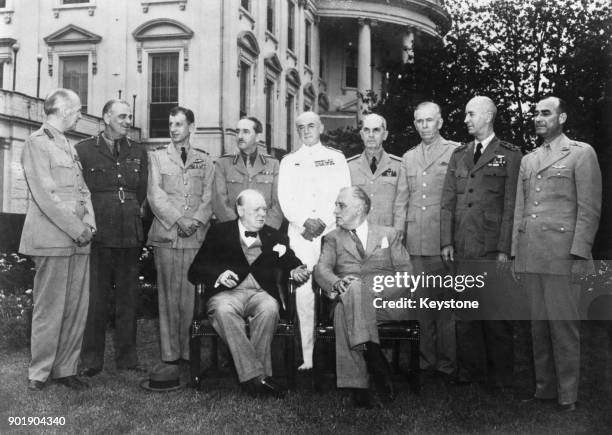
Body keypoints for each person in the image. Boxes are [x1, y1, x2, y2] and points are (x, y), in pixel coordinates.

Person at [512, 96, 601, 412]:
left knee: (563, 327)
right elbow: (521, 211)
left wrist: (579, 254)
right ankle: (544, 390)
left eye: (545, 113)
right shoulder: (529, 159)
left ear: (562, 117)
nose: (538, 118)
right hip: (533, 253)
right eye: (536, 113)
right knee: (538, 327)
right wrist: (515, 254)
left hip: (562, 255)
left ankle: (568, 396)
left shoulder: (580, 153)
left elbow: (589, 209)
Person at [188, 189, 309, 397]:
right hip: (227, 294)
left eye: (264, 209)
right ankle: (258, 377)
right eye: (256, 210)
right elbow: (196, 269)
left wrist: (297, 269)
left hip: (260, 293)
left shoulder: (275, 236)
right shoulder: (220, 232)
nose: (262, 214)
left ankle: (253, 377)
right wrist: (218, 274)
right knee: (223, 311)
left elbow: (290, 260)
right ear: (240, 210)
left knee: (270, 307)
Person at [440, 96, 521, 391]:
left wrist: (505, 249)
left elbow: (512, 204)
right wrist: (446, 240)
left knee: (496, 314)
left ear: (488, 116)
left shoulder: (510, 155)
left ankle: (501, 376)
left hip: (491, 246)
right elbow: (448, 201)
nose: (466, 120)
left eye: (471, 114)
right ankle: (469, 370)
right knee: (466, 312)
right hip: (462, 244)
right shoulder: (459, 154)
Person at [20, 88, 95, 391]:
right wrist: (78, 229)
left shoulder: (68, 145)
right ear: (63, 110)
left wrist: (89, 222)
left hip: (79, 240)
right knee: (49, 308)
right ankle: (39, 373)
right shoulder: (36, 143)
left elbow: (83, 191)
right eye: (78, 110)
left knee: (76, 308)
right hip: (53, 238)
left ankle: (65, 369)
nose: (80, 115)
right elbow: (46, 196)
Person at [314, 186, 413, 408]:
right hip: (348, 296)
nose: (335, 210)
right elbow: (321, 270)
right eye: (336, 205)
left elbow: (407, 275)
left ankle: (358, 383)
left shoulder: (389, 234)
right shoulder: (332, 238)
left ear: (359, 208)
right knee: (353, 290)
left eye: (341, 205)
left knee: (345, 309)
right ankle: (375, 357)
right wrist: (338, 283)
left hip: (383, 303)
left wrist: (376, 292)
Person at [75, 99, 148, 376]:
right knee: (96, 298)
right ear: (106, 117)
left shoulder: (139, 151)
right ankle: (92, 360)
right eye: (121, 116)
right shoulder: (84, 150)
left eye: (129, 116)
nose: (127, 121)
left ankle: (127, 359)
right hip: (99, 234)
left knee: (129, 299)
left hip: (129, 234)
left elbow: (140, 192)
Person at [278, 111, 351, 370]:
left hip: (330, 233)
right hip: (300, 237)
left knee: (335, 290)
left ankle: (337, 354)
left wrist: (322, 222)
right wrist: (303, 222)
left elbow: (344, 195)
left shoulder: (336, 159)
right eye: (300, 127)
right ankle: (308, 356)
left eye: (311, 126)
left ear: (320, 127)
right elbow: (285, 199)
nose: (306, 131)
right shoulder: (289, 161)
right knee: (304, 295)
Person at [393, 101, 459, 378]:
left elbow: (457, 199)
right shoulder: (408, 157)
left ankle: (447, 364)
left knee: (445, 307)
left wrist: (453, 239)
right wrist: (398, 235)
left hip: (442, 240)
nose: (424, 126)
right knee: (421, 305)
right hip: (416, 241)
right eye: (419, 121)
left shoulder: (455, 151)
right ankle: (424, 361)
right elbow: (401, 200)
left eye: (429, 121)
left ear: (440, 122)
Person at [147, 106, 214, 364]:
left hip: (195, 237)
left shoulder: (205, 159)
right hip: (167, 235)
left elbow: (209, 196)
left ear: (191, 128)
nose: (174, 129)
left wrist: (195, 221)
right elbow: (155, 194)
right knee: (167, 295)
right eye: (171, 124)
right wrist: (179, 220)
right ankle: (170, 352)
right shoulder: (157, 157)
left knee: (191, 296)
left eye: (179, 124)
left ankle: (189, 350)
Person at [213, 116, 283, 229]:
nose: (240, 136)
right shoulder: (223, 163)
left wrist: (266, 229)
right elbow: (219, 203)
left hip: (265, 232)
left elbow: (278, 203)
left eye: (246, 132)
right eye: (237, 131)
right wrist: (237, 229)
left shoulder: (273, 164)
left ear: (258, 137)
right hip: (232, 232)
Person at [347, 113, 401, 226]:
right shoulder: (349, 167)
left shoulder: (399, 166)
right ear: (362, 134)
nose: (371, 135)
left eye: (376, 130)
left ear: (385, 135)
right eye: (366, 130)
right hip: (358, 234)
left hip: (387, 235)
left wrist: (397, 233)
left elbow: (402, 205)